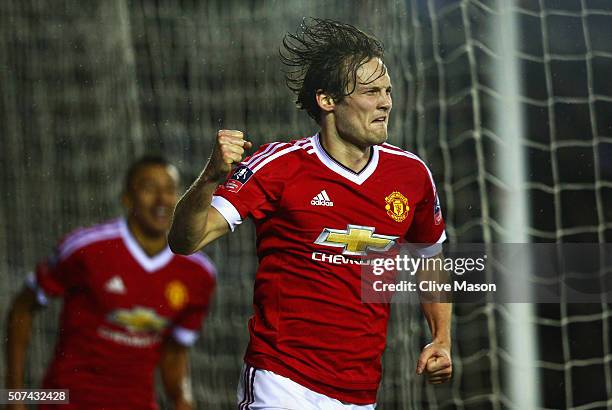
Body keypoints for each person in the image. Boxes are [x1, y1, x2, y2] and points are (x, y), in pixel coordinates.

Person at [169, 18, 451, 409]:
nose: (386, 102)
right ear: (327, 100)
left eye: (387, 90)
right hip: (280, 380)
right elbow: (186, 241)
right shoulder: (279, 166)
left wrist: (441, 338)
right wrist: (208, 180)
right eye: (371, 92)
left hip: (359, 392)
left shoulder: (412, 174)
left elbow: (430, 260)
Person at [5, 156, 217, 410]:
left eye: (170, 190)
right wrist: (13, 397)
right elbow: (22, 307)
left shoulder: (198, 272)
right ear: (127, 198)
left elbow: (175, 351)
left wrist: (182, 400)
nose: (162, 200)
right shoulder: (87, 248)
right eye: (149, 188)